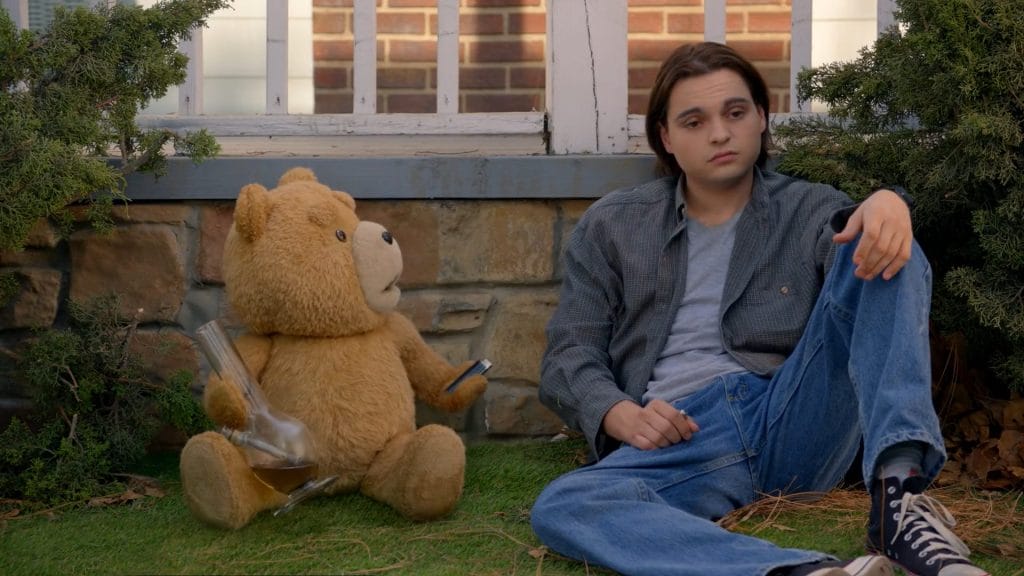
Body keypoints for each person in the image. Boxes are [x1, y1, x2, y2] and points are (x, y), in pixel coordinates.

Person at [530, 41, 988, 576]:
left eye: (735, 113)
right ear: (666, 137)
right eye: (695, 121)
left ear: (761, 119)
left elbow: (860, 264)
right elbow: (568, 354)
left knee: (884, 249)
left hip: (792, 412)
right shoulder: (613, 225)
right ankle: (803, 572)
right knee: (565, 504)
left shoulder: (807, 206)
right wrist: (618, 413)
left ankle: (898, 500)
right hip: (683, 437)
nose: (720, 133)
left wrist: (889, 202)